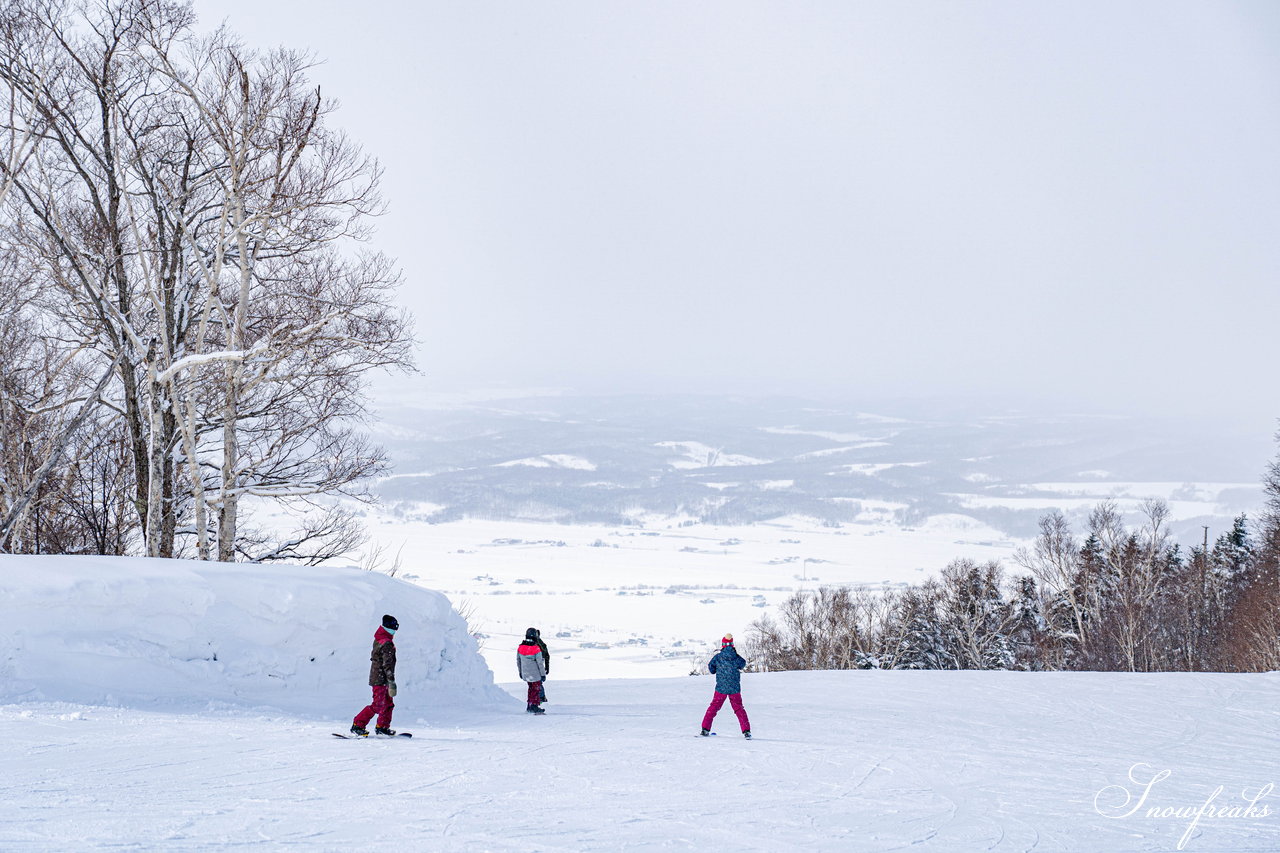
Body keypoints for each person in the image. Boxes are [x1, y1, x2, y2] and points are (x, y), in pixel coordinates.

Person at [351, 614, 399, 736]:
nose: (395, 631)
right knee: (378, 705)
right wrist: (391, 682)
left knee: (388, 704)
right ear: (389, 627)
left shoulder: (380, 638)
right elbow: (387, 665)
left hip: (380, 677)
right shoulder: (386, 642)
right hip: (380, 679)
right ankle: (358, 724)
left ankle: (382, 727)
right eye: (395, 627)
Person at [700, 633, 751, 738]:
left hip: (721, 688)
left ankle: (705, 729)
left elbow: (711, 669)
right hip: (734, 688)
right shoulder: (736, 657)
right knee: (739, 709)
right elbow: (743, 664)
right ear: (732, 644)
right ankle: (746, 731)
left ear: (723, 645)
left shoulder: (718, 657)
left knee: (714, 707)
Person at [517, 628, 548, 714]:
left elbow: (518, 661)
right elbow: (540, 664)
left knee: (530, 689)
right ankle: (534, 706)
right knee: (535, 689)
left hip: (526, 674)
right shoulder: (536, 648)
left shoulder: (520, 647)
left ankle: (529, 706)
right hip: (535, 674)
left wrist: (520, 672)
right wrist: (543, 674)